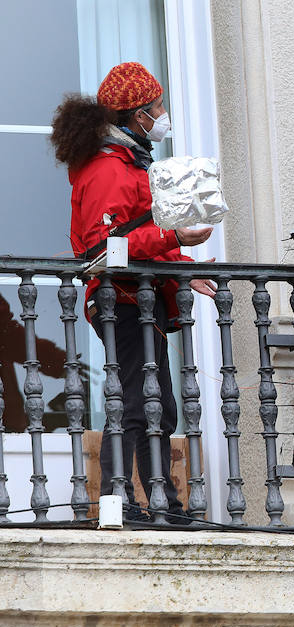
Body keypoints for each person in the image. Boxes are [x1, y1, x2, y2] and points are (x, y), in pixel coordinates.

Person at [51, 61, 216, 518]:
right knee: (137, 404)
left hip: (140, 300)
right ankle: (122, 503)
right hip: (121, 301)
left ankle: (162, 504)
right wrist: (175, 240)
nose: (163, 113)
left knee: (156, 405)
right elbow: (106, 250)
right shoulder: (108, 168)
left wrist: (181, 267)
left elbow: (138, 232)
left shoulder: (129, 161)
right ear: (135, 115)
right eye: (157, 106)